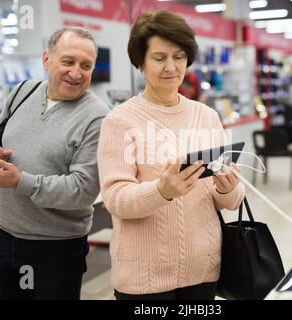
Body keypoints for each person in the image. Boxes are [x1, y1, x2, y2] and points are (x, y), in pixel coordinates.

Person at [97, 11, 245, 300]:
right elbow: (114, 199)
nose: (170, 67)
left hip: (203, 271)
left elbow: (230, 199)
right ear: (140, 61)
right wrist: (161, 191)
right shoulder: (120, 121)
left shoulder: (207, 116)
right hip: (143, 281)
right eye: (159, 57)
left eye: (178, 57)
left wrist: (228, 189)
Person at [0, 27, 110, 300]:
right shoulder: (22, 91)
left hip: (56, 251)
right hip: (3, 237)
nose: (76, 72)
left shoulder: (96, 117)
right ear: (46, 60)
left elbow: (83, 189)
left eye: (85, 66)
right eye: (68, 61)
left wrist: (21, 182)